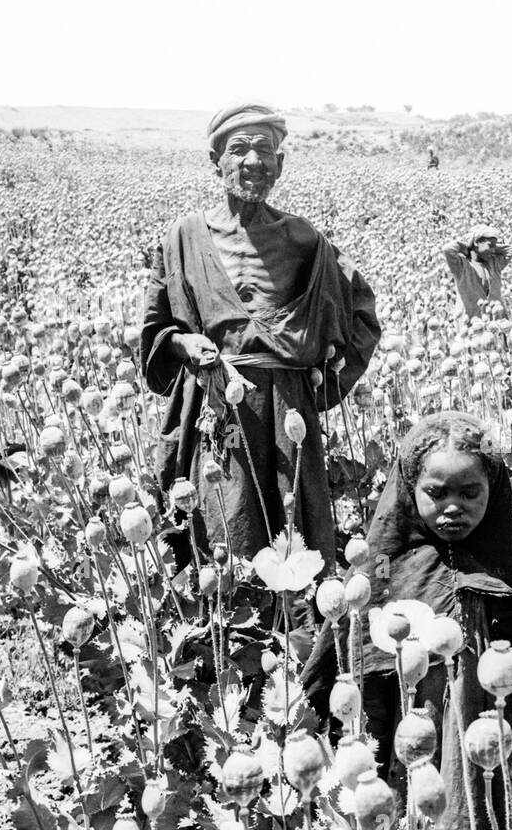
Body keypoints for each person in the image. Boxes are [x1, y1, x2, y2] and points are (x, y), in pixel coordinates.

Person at [301, 412, 512, 830]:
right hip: (407, 746)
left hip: (491, 749)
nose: (453, 507)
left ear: (492, 493)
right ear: (411, 489)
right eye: (437, 493)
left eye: (470, 494)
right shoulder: (382, 570)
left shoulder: (506, 565)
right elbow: (350, 671)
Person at [139, 102, 380, 569]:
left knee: (294, 528)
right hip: (215, 404)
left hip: (288, 410)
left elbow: (360, 314)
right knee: (223, 527)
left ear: (280, 163)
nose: (253, 161)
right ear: (216, 163)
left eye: (265, 150)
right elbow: (156, 329)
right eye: (239, 149)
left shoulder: (303, 239)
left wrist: (323, 377)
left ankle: (296, 633)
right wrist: (183, 344)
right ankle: (229, 627)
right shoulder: (183, 237)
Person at [442, 225, 511, 318]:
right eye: (490, 245)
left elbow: (511, 251)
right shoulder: (461, 265)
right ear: (476, 242)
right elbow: (447, 249)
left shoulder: (494, 263)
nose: (493, 250)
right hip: (472, 321)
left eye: (495, 246)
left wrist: (492, 247)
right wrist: (466, 247)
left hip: (496, 318)